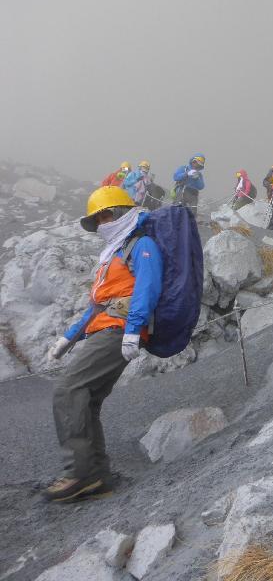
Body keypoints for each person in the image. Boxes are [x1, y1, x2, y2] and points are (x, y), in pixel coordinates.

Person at [43, 186, 163, 502]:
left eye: (104, 216)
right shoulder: (114, 252)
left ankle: (79, 474)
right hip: (106, 328)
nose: (100, 225)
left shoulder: (141, 244)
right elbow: (98, 305)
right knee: (87, 398)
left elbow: (146, 290)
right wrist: (68, 338)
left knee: (68, 390)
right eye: (96, 220)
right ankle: (95, 477)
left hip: (119, 330)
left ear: (122, 213)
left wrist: (134, 330)